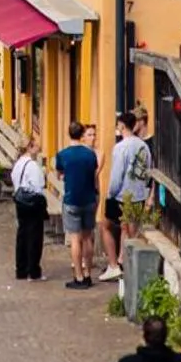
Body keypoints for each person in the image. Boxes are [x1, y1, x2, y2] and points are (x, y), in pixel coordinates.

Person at [102, 109, 154, 281]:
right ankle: (123, 261)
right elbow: (148, 170)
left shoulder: (120, 147)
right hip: (139, 193)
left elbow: (117, 175)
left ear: (122, 126)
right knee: (130, 230)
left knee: (107, 226)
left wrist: (110, 193)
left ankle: (115, 265)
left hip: (122, 194)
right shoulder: (144, 146)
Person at [55, 121, 102, 288]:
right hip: (89, 198)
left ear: (69, 133)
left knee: (75, 239)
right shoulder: (90, 155)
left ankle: (79, 276)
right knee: (88, 237)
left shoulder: (63, 155)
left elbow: (60, 173)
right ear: (82, 134)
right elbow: (94, 172)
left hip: (72, 199)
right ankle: (89, 273)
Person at [10, 134, 48, 279]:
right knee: (34, 236)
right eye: (37, 145)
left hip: (20, 202)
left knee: (22, 234)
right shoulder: (32, 165)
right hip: (32, 202)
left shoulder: (18, 163)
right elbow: (38, 185)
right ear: (30, 147)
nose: (39, 147)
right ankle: (33, 270)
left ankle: (21, 269)